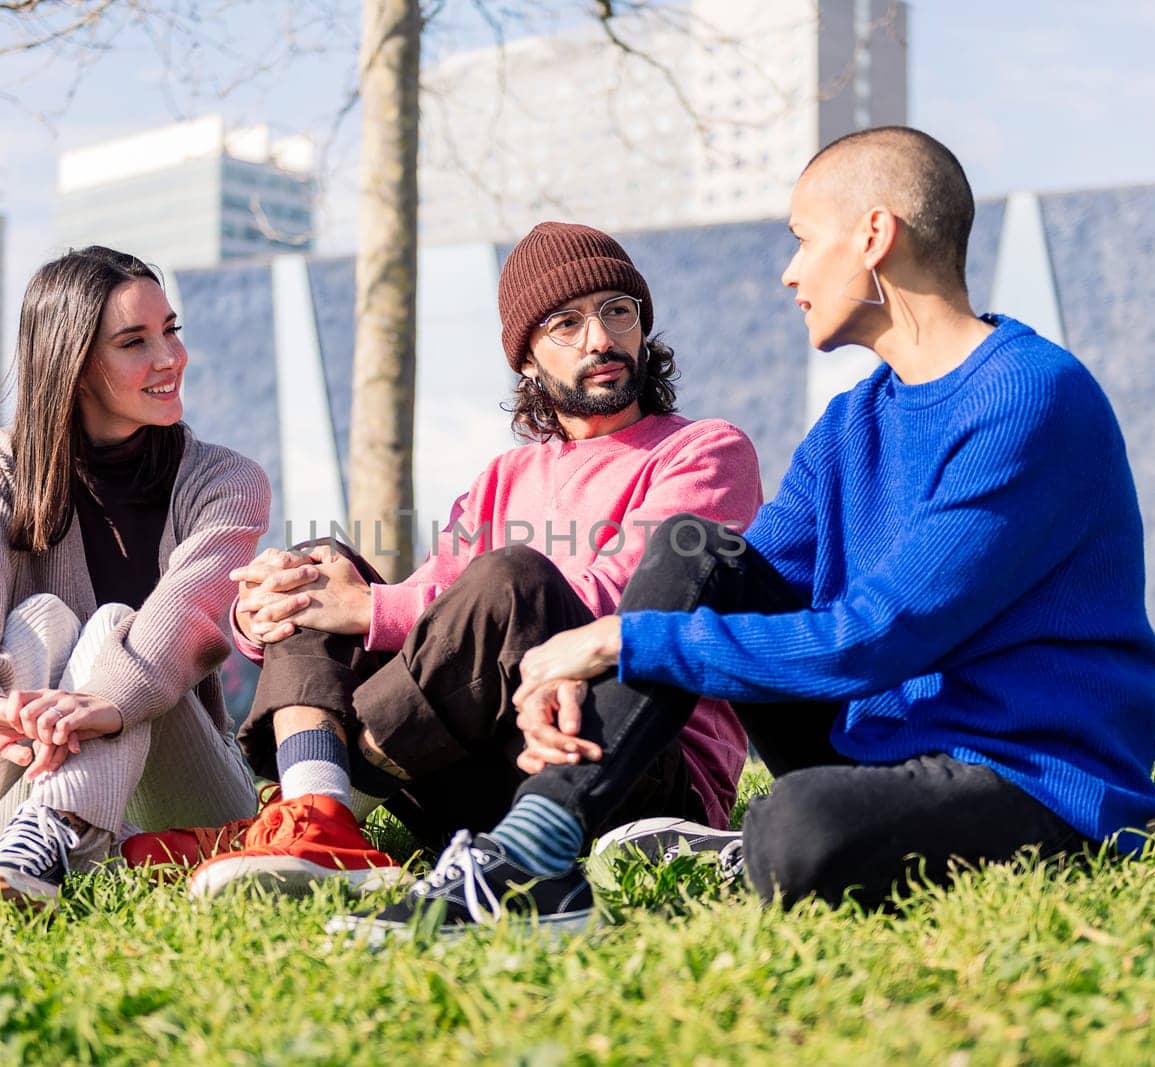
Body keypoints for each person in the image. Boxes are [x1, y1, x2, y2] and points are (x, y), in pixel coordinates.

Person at [333, 126, 1155, 938]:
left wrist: (620, 641)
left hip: (1030, 777)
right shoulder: (853, 421)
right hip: (875, 750)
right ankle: (532, 855)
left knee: (795, 829)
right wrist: (585, 650)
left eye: (805, 239)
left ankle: (715, 847)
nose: (790, 271)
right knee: (694, 546)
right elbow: (716, 582)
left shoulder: (1027, 398)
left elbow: (874, 639)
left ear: (874, 235)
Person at [123, 222, 763, 900]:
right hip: (484, 784)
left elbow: (626, 603)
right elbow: (429, 618)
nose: (600, 338)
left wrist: (368, 607)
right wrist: (272, 611)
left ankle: (293, 816)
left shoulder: (706, 451)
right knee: (320, 559)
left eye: (618, 311)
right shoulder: (504, 476)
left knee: (514, 579)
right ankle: (315, 814)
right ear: (527, 361)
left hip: (632, 770)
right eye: (566, 324)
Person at [0, 246, 269, 932]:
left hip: (189, 804)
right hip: (10, 821)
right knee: (41, 615)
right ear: (75, 364)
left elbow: (181, 622)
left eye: (171, 329)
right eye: (135, 342)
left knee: (113, 624)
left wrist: (97, 706)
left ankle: (54, 827)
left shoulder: (228, 482)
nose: (169, 356)